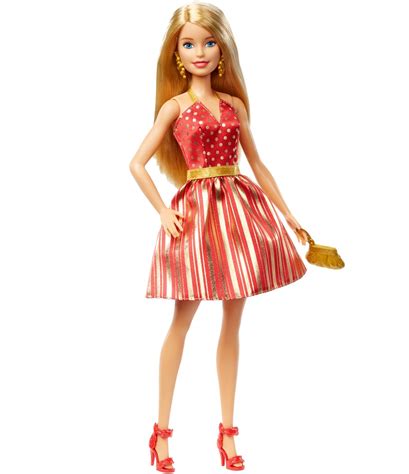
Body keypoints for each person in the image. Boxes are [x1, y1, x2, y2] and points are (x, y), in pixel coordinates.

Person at [129, 3, 309, 471]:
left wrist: (289, 214)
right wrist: (163, 209)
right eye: (189, 44)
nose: (200, 52)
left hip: (238, 214)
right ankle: (161, 432)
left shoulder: (234, 105)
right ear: (176, 54)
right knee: (182, 320)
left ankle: (227, 431)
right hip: (194, 217)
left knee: (233, 322)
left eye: (209, 42)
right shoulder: (174, 108)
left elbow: (257, 164)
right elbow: (137, 164)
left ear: (222, 48)